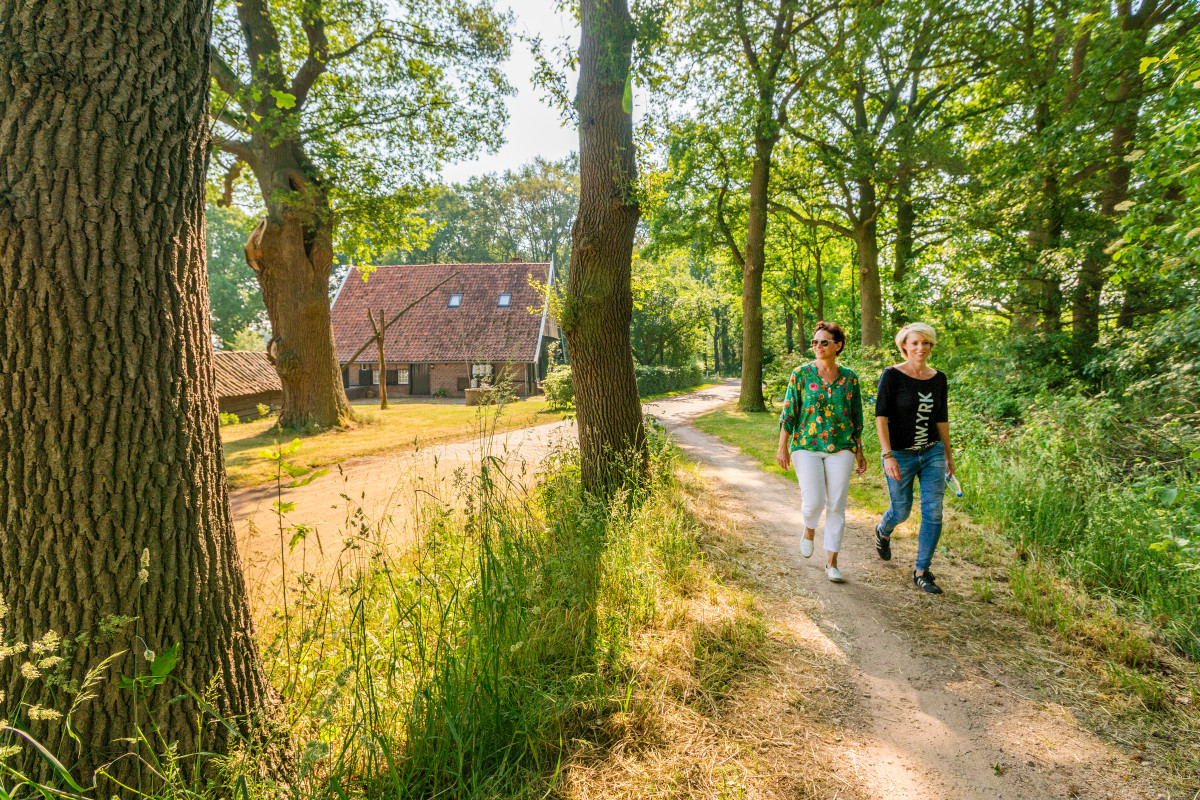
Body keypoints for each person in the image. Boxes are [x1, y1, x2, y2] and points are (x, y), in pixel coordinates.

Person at [776, 321, 868, 582]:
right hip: (806, 445)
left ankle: (832, 563)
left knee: (837, 504)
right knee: (814, 501)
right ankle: (809, 529)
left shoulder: (850, 377)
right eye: (814, 342)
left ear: (837, 346)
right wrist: (783, 446)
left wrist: (859, 450)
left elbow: (856, 415)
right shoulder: (801, 374)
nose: (817, 346)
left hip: (842, 446)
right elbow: (789, 412)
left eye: (823, 342)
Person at [873, 322, 955, 594]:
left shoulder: (938, 378)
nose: (921, 348)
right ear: (904, 346)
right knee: (902, 511)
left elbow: (941, 418)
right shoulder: (892, 375)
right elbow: (881, 416)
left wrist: (948, 455)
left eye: (926, 343)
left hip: (932, 452)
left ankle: (922, 571)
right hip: (899, 455)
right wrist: (887, 456)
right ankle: (883, 531)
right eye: (915, 343)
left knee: (933, 511)